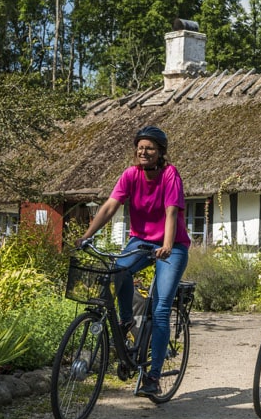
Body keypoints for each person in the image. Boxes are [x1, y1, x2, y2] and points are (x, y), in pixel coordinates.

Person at [77, 126, 191, 398]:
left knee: (162, 308)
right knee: (118, 270)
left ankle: (153, 377)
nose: (143, 151)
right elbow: (109, 206)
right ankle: (128, 320)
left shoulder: (170, 174)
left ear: (160, 152)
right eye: (140, 147)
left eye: (149, 148)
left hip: (171, 246)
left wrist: (166, 244)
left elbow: (172, 211)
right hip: (140, 241)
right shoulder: (130, 175)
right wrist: (86, 235)